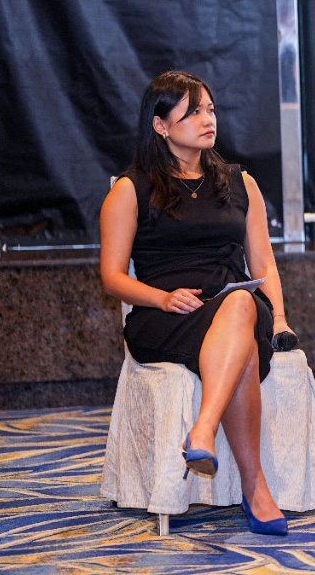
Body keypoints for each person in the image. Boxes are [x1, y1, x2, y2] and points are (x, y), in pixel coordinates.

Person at [99, 71, 295, 536]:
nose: (208, 120)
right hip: (166, 315)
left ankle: (202, 430)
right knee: (241, 337)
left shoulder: (238, 181)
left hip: (233, 301)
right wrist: (162, 298)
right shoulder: (130, 189)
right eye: (193, 112)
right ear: (161, 125)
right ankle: (255, 488)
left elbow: (262, 259)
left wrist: (282, 319)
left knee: (243, 307)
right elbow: (111, 277)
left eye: (210, 109)